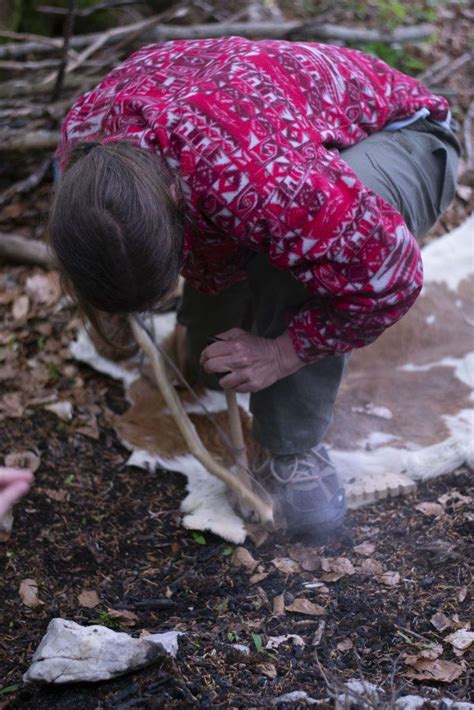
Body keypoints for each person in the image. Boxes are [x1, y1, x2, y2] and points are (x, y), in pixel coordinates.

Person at [49, 37, 460, 537]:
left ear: (177, 198)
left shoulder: (263, 183)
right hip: (260, 144)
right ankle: (203, 330)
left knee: (298, 260)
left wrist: (285, 352)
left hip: (403, 135)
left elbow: (390, 275)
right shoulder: (86, 146)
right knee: (205, 353)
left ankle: (290, 449)